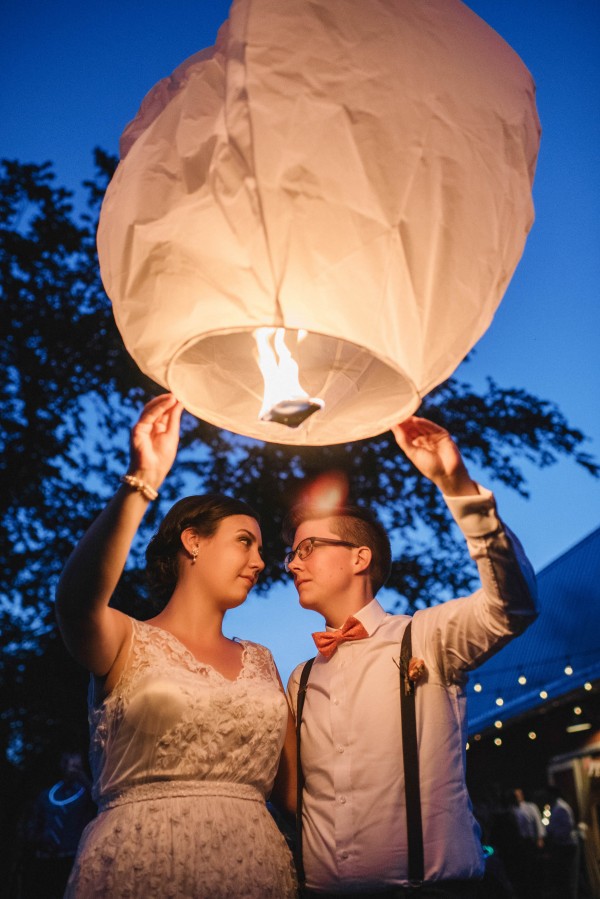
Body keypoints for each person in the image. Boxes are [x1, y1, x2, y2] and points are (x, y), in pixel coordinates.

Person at [56, 394, 297, 899]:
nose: (259, 561)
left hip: (255, 868)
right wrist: (142, 482)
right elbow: (76, 601)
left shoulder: (263, 660)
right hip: (141, 861)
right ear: (193, 541)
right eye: (244, 541)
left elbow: (297, 795)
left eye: (260, 548)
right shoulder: (124, 638)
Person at [285, 416, 538, 898]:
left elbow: (514, 606)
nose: (293, 564)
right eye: (293, 554)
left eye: (308, 548)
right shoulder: (300, 679)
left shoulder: (426, 637)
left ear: (360, 557)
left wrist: (457, 487)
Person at [16, 752, 96, 898]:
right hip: (46, 859)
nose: (72, 769)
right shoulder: (47, 795)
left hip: (73, 859)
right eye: (69, 764)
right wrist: (38, 838)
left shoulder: (86, 793)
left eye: (77, 766)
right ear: (62, 765)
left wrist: (82, 777)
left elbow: (99, 802)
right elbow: (33, 824)